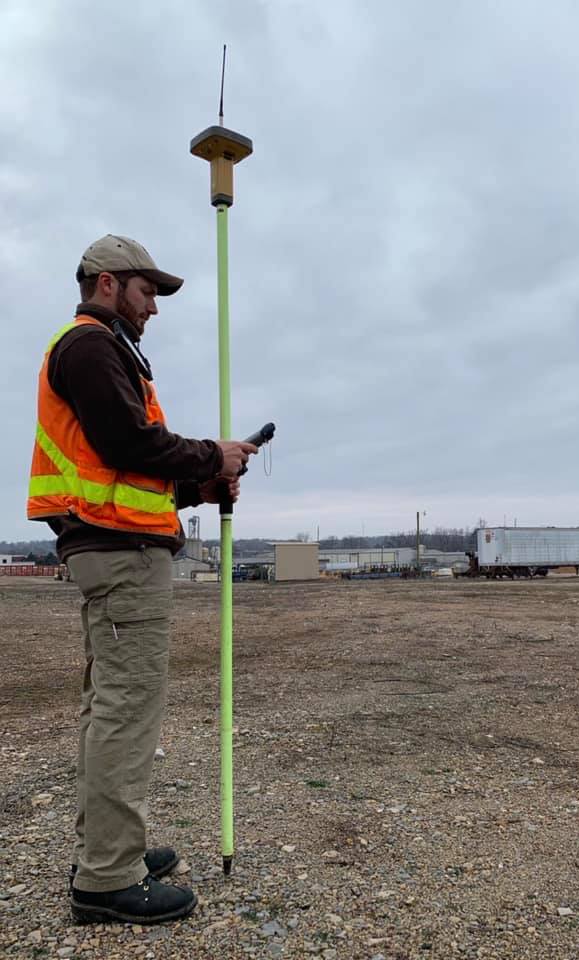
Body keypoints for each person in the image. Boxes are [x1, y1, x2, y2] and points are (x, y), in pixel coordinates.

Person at [27, 235, 259, 925]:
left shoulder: (106, 351)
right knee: (126, 714)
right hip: (121, 557)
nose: (154, 305)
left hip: (115, 544)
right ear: (107, 283)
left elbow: (130, 475)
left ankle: (109, 849)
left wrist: (202, 481)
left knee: (110, 710)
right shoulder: (92, 347)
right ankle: (106, 878)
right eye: (147, 289)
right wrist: (209, 453)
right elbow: (130, 444)